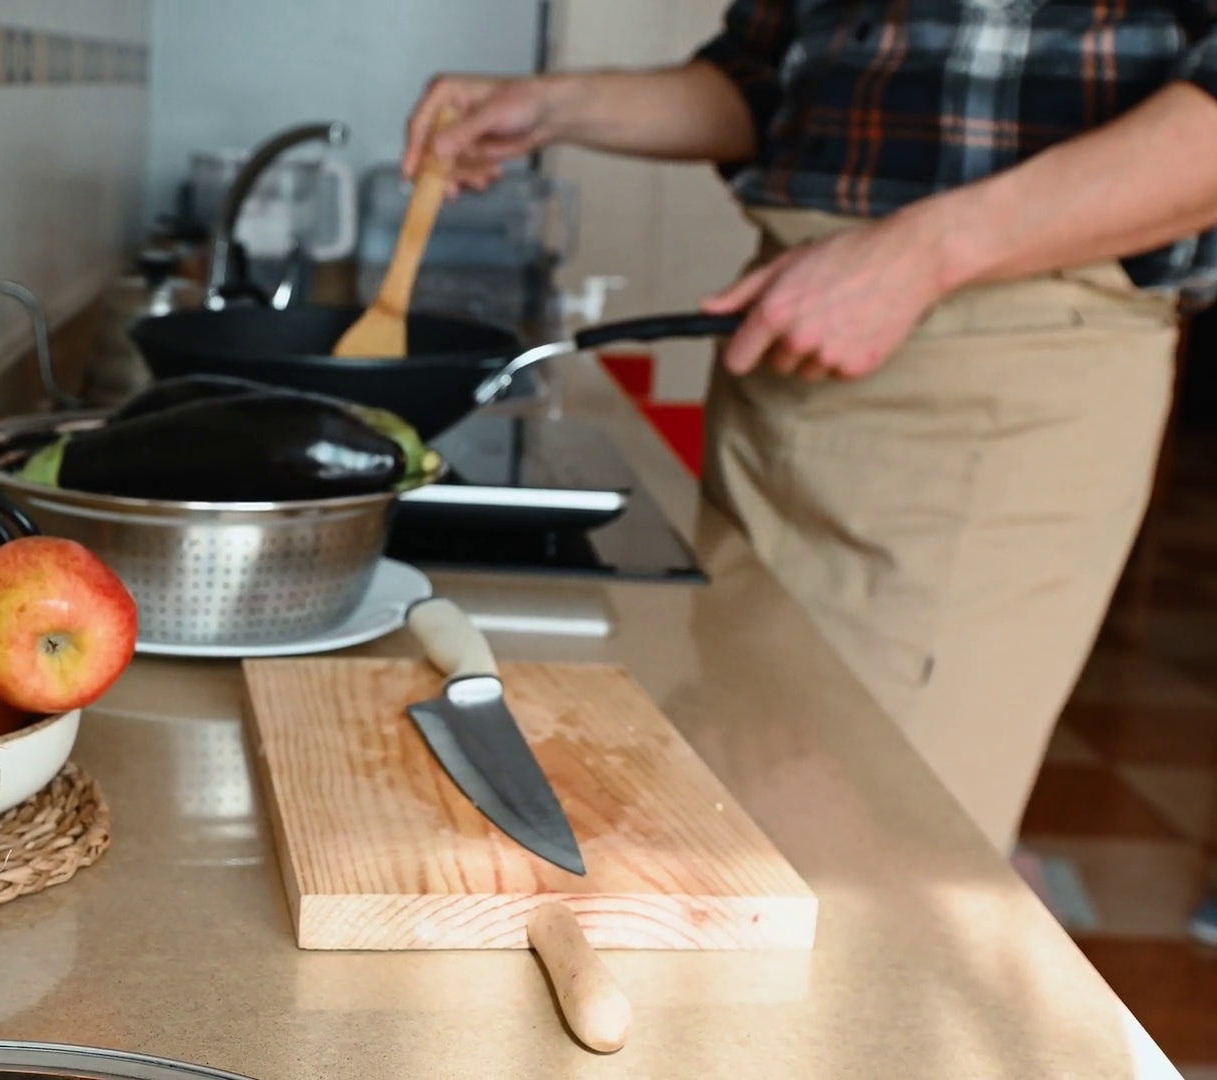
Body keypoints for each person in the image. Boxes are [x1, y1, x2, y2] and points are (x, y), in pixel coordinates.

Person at [404, 2, 1217, 855]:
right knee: (730, 821)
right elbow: (771, 82)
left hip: (994, 366)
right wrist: (554, 106)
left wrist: (922, 253)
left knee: (869, 858)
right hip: (790, 341)